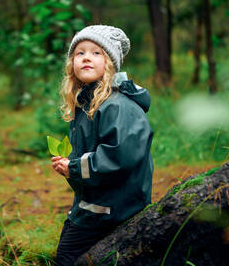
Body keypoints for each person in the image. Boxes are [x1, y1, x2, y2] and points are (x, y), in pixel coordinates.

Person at [51, 25, 154, 266]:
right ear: (72, 65)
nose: (86, 57)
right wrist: (69, 165)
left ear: (110, 64)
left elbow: (120, 157)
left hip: (113, 210)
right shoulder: (88, 102)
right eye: (80, 53)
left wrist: (75, 168)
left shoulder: (117, 105)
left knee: (68, 257)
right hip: (96, 204)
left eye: (97, 53)